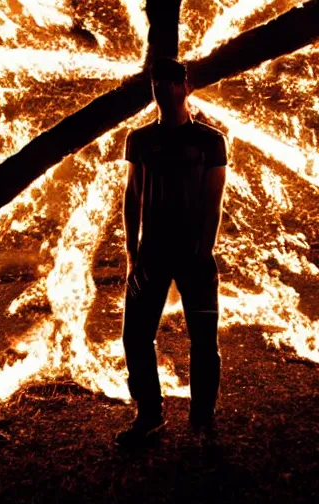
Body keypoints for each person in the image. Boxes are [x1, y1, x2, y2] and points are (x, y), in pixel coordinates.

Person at [116, 57, 228, 448]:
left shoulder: (210, 141)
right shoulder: (140, 139)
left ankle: (203, 417)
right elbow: (132, 196)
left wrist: (204, 250)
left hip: (194, 255)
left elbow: (214, 202)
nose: (161, 88)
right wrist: (132, 254)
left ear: (184, 86)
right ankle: (149, 415)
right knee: (135, 336)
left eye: (168, 81)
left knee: (203, 339)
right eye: (155, 82)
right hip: (152, 254)